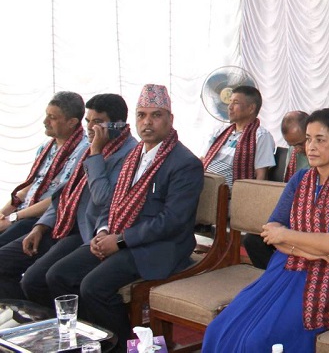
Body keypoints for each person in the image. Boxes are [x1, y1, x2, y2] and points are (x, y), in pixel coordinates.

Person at [202, 108, 329, 353]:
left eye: (320, 139)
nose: (311, 146)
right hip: (290, 265)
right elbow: (271, 228)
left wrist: (286, 237)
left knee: (258, 340)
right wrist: (309, 252)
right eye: (308, 139)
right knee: (220, 327)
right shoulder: (301, 179)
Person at [46, 84, 204, 351]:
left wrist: (119, 240)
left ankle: (127, 346)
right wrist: (103, 230)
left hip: (158, 246)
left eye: (156, 115)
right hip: (120, 235)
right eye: (142, 115)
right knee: (57, 276)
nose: (147, 122)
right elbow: (113, 202)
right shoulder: (133, 155)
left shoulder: (184, 163)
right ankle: (94, 341)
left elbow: (172, 221)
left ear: (170, 120)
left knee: (93, 287)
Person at [0, 94, 137, 305]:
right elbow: (65, 195)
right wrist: (40, 227)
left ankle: (62, 324)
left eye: (97, 122)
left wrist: (96, 154)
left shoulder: (127, 154)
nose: (90, 127)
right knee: (10, 265)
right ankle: (27, 319)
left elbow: (103, 199)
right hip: (62, 223)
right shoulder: (93, 148)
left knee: (40, 279)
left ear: (117, 125)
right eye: (88, 121)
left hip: (88, 231)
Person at [0, 92, 89, 246]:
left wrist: (14, 218)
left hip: (42, 220)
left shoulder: (85, 151)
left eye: (52, 118)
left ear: (72, 122)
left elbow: (59, 199)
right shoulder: (46, 147)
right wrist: (3, 215)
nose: (45, 121)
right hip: (23, 214)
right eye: (47, 115)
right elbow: (25, 190)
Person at [244, 110, 310, 269]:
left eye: (300, 143)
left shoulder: (322, 154)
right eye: (291, 145)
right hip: (293, 211)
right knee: (253, 240)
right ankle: (275, 274)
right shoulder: (294, 151)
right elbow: (290, 186)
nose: (297, 149)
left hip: (310, 221)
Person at [202, 85, 275, 185]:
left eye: (235, 103)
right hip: (204, 186)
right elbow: (203, 159)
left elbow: (261, 176)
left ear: (251, 108)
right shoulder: (220, 131)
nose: (230, 107)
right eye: (230, 101)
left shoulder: (261, 136)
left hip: (230, 195)